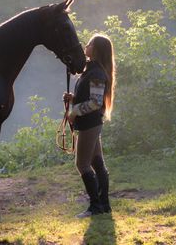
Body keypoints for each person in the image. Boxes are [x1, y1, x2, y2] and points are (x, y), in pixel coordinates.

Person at [63, 34, 115, 218]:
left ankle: (95, 206)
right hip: (91, 123)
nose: (87, 44)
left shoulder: (97, 73)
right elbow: (92, 98)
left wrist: (74, 110)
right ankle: (104, 205)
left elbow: (95, 102)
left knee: (82, 164)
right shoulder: (92, 70)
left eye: (91, 43)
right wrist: (74, 98)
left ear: (97, 49)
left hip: (89, 124)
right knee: (97, 162)